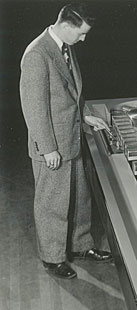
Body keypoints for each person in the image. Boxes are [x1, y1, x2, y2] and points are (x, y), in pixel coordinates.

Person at [19, 3, 112, 279]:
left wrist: (86, 117)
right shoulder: (37, 54)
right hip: (53, 146)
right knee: (53, 204)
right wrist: (48, 148)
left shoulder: (65, 46)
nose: (84, 39)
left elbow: (71, 92)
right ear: (68, 25)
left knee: (80, 198)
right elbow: (34, 108)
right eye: (82, 33)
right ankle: (53, 257)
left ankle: (81, 246)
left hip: (72, 138)